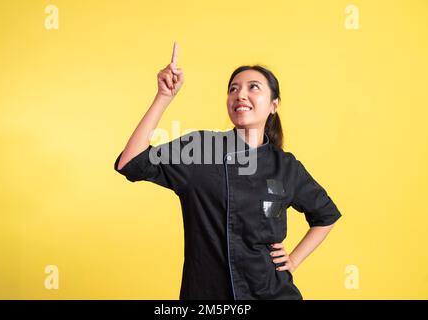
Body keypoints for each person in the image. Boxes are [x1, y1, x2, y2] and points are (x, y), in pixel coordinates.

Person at [114, 41, 342, 299]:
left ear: (273, 105)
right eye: (233, 89)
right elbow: (131, 163)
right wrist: (163, 98)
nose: (240, 95)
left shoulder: (285, 166)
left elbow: (326, 215)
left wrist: (294, 260)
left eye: (253, 87)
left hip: (271, 292)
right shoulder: (199, 149)